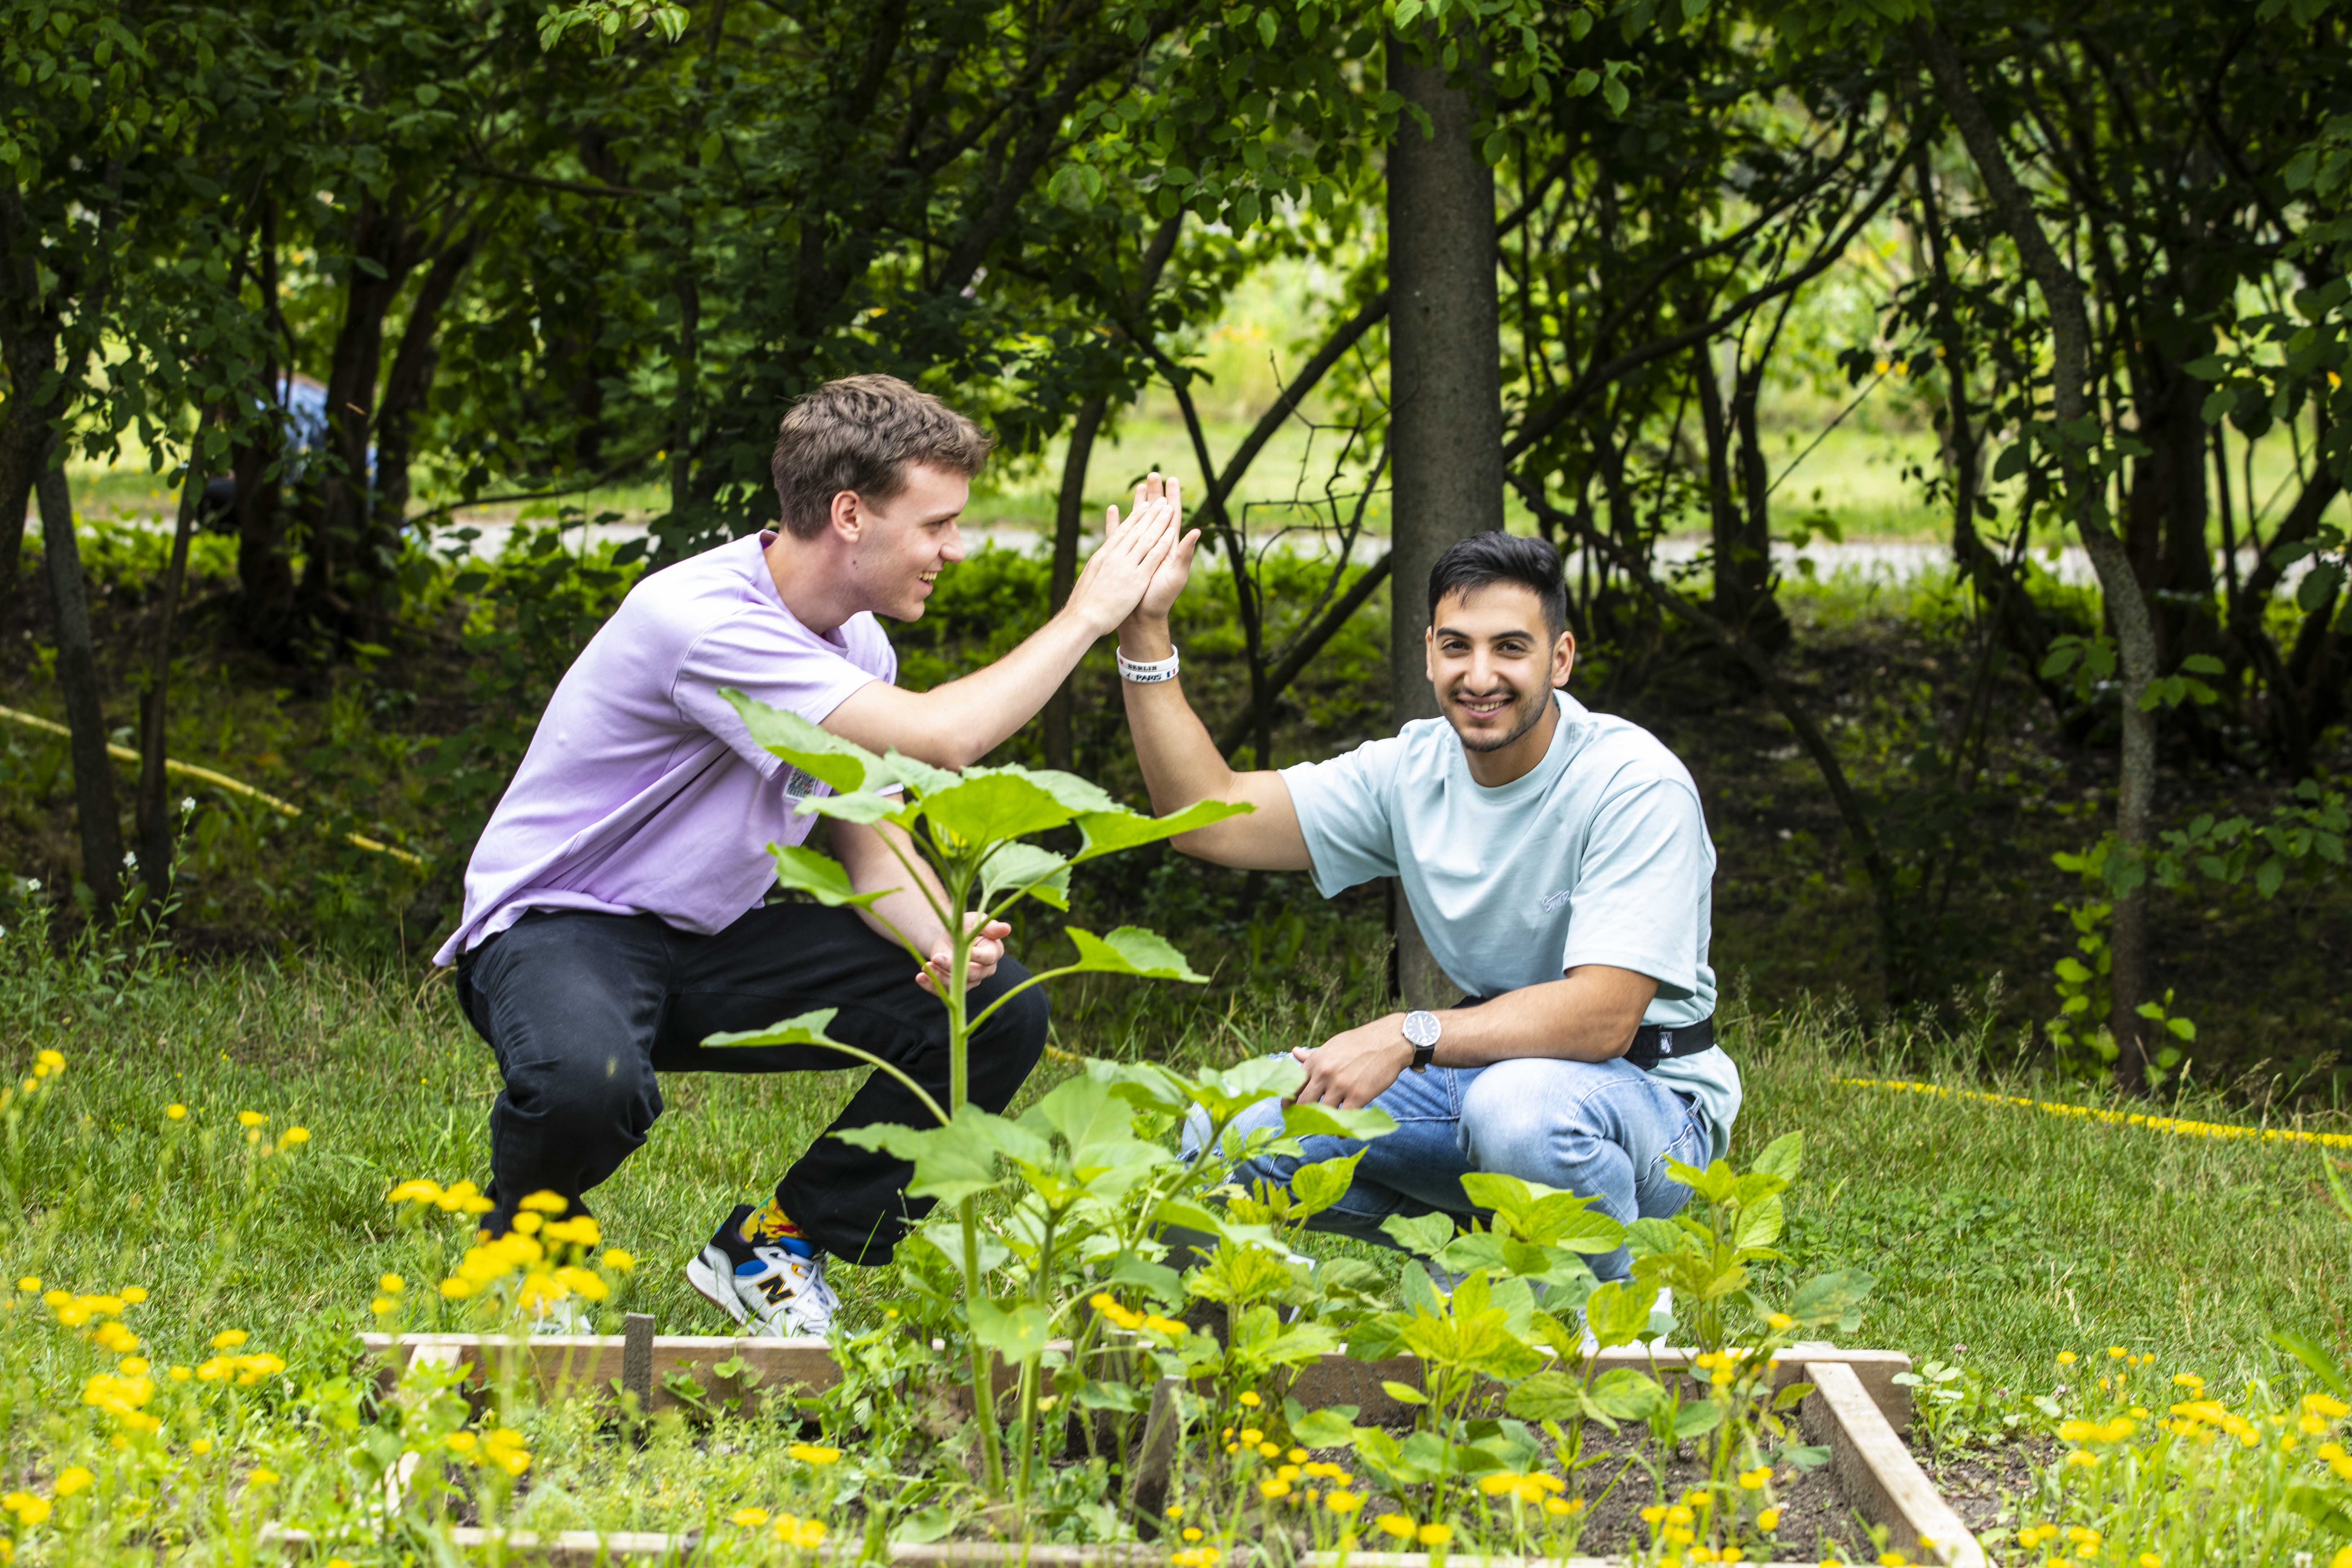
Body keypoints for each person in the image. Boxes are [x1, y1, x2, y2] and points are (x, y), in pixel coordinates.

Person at [432, 374, 1183, 1337]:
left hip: (714, 940)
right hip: (562, 928)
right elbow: (937, 739)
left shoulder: (855, 645)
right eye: (938, 524)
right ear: (848, 514)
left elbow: (867, 839)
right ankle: (529, 1259)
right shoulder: (706, 620)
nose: (955, 548)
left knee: (994, 1010)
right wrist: (1088, 614)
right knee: (591, 1080)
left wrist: (941, 935)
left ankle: (779, 1243)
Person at [1119, 522, 1737, 1287]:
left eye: (1511, 647)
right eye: (1457, 647)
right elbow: (1205, 817)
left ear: (1562, 658)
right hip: (1486, 1086)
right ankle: (1260, 1350)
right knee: (1228, 1129)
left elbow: (1604, 1015)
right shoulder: (1411, 770)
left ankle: (1605, 1320)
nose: (1480, 675)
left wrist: (1409, 1035)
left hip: (1649, 1107)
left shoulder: (1634, 784)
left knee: (1519, 1112)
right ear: (1428, 654)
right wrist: (1144, 631)